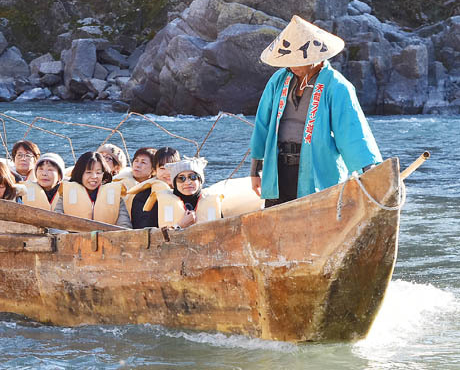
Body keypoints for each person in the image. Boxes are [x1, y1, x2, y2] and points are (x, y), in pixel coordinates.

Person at [250, 15, 382, 207]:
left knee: (316, 217)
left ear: (314, 57)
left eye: (296, 60)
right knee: (276, 220)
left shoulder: (337, 86)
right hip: (278, 169)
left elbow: (352, 132)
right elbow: (262, 124)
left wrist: (370, 172)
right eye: (288, 60)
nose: (291, 66)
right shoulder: (278, 80)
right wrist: (255, 169)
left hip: (317, 170)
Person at [54, 152, 131, 227]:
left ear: (103, 174)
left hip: (109, 235)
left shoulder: (114, 194)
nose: (94, 176)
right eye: (88, 172)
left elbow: (124, 224)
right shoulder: (66, 193)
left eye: (98, 172)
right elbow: (57, 223)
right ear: (80, 173)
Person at [150, 156, 221, 229]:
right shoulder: (159, 203)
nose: (187, 182)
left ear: (200, 181)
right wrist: (180, 226)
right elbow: (149, 234)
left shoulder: (214, 201)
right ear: (175, 183)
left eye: (193, 177)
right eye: (181, 178)